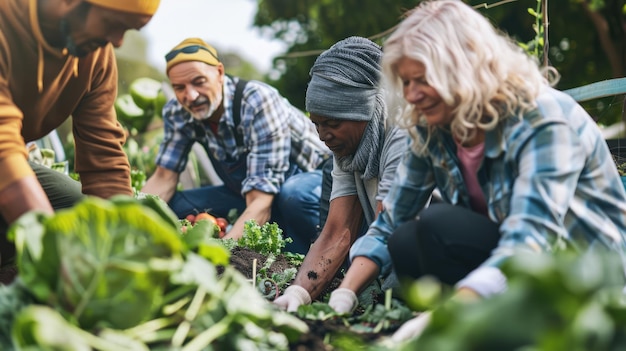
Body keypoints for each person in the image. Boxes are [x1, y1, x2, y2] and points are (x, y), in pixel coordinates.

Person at [327, 0, 626, 341]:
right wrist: (344, 294)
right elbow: (391, 220)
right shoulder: (434, 129)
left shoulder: (543, 119)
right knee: (408, 239)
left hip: (586, 282)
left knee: (439, 224)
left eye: (423, 79)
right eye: (406, 83)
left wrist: (444, 321)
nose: (412, 95)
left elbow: (530, 240)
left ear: (464, 66)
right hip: (515, 269)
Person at [0, 0, 162, 283]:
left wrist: (122, 252)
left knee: (77, 207)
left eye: (128, 30)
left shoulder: (96, 55)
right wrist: (55, 256)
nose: (118, 41)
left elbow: (104, 157)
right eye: (113, 24)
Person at [141, 38, 331, 254]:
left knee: (293, 195)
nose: (190, 96)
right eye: (179, 87)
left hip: (312, 184)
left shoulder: (256, 101)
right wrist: (131, 216)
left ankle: (323, 251)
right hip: (251, 191)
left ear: (220, 73)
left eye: (199, 81)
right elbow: (164, 177)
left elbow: (260, 201)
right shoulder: (179, 111)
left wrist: (222, 252)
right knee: (177, 205)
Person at [273, 36, 408, 311]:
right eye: (317, 124)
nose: (323, 135)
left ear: (363, 112)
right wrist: (299, 292)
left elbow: (389, 226)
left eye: (332, 123)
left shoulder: (403, 133)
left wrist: (346, 291)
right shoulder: (348, 148)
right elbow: (337, 231)